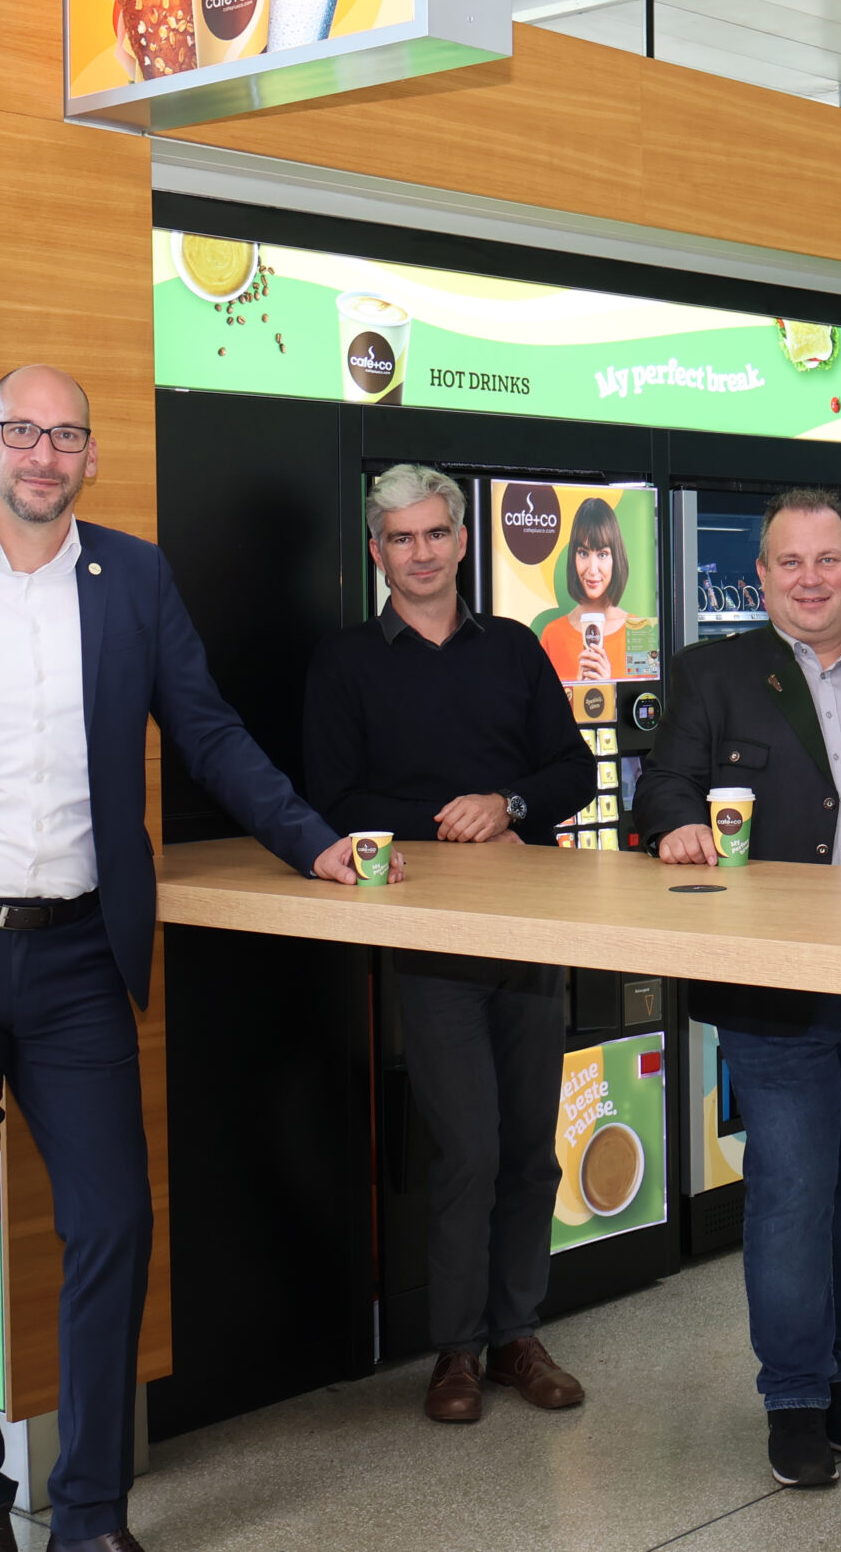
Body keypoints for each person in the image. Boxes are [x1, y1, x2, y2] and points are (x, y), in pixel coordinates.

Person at [0, 364, 387, 1552]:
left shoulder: (133, 576)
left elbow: (206, 727)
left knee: (114, 1221)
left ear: (90, 456)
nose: (43, 455)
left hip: (72, 960)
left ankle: (96, 1510)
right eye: (23, 431)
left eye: (66, 435)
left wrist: (312, 839)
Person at [634, 487, 841, 1489]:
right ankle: (793, 1395)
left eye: (827, 559)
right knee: (789, 1191)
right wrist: (677, 825)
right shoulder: (713, 673)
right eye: (789, 562)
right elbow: (662, 790)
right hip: (778, 988)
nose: (810, 577)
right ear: (760, 576)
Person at [302, 465, 596, 1426]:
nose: (420, 553)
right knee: (468, 1149)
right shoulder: (345, 663)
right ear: (378, 551)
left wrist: (507, 804)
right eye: (400, 538)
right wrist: (451, 820)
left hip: (529, 928)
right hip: (425, 939)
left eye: (435, 535)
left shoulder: (513, 649)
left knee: (530, 1154)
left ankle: (518, 1336)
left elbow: (573, 770)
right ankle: (457, 1352)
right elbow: (332, 799)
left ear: (463, 541)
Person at [537, 495, 641, 682]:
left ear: (615, 559)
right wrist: (578, 690)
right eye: (583, 553)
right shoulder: (552, 636)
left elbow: (651, 706)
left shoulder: (639, 633)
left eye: (602, 554)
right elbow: (544, 710)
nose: (592, 570)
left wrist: (608, 688)